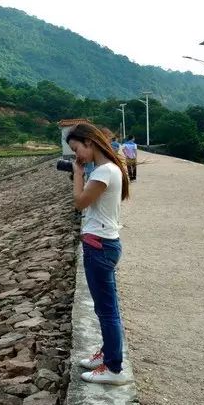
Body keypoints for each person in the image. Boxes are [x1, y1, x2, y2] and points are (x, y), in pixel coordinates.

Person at [67, 122, 131, 385]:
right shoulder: (110, 169)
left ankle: (114, 369)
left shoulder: (103, 172)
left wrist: (77, 173)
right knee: (106, 307)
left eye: (77, 149)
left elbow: (80, 202)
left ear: (89, 142)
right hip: (104, 243)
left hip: (99, 246)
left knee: (107, 311)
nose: (77, 156)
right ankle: (107, 354)